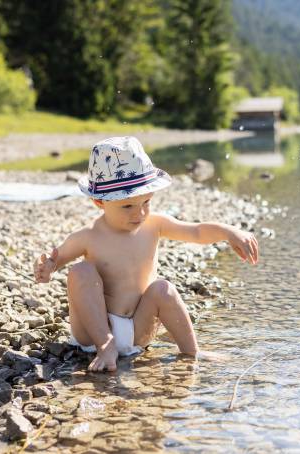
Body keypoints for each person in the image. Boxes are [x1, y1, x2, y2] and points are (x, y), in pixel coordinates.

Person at [33, 136, 259, 371]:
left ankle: (192, 352)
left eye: (146, 202)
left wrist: (228, 231)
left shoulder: (154, 224)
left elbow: (196, 231)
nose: (139, 213)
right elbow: (55, 260)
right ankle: (106, 346)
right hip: (95, 329)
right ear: (99, 201)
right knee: (80, 272)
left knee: (164, 289)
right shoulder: (88, 236)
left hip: (138, 328)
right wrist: (47, 268)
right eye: (128, 206)